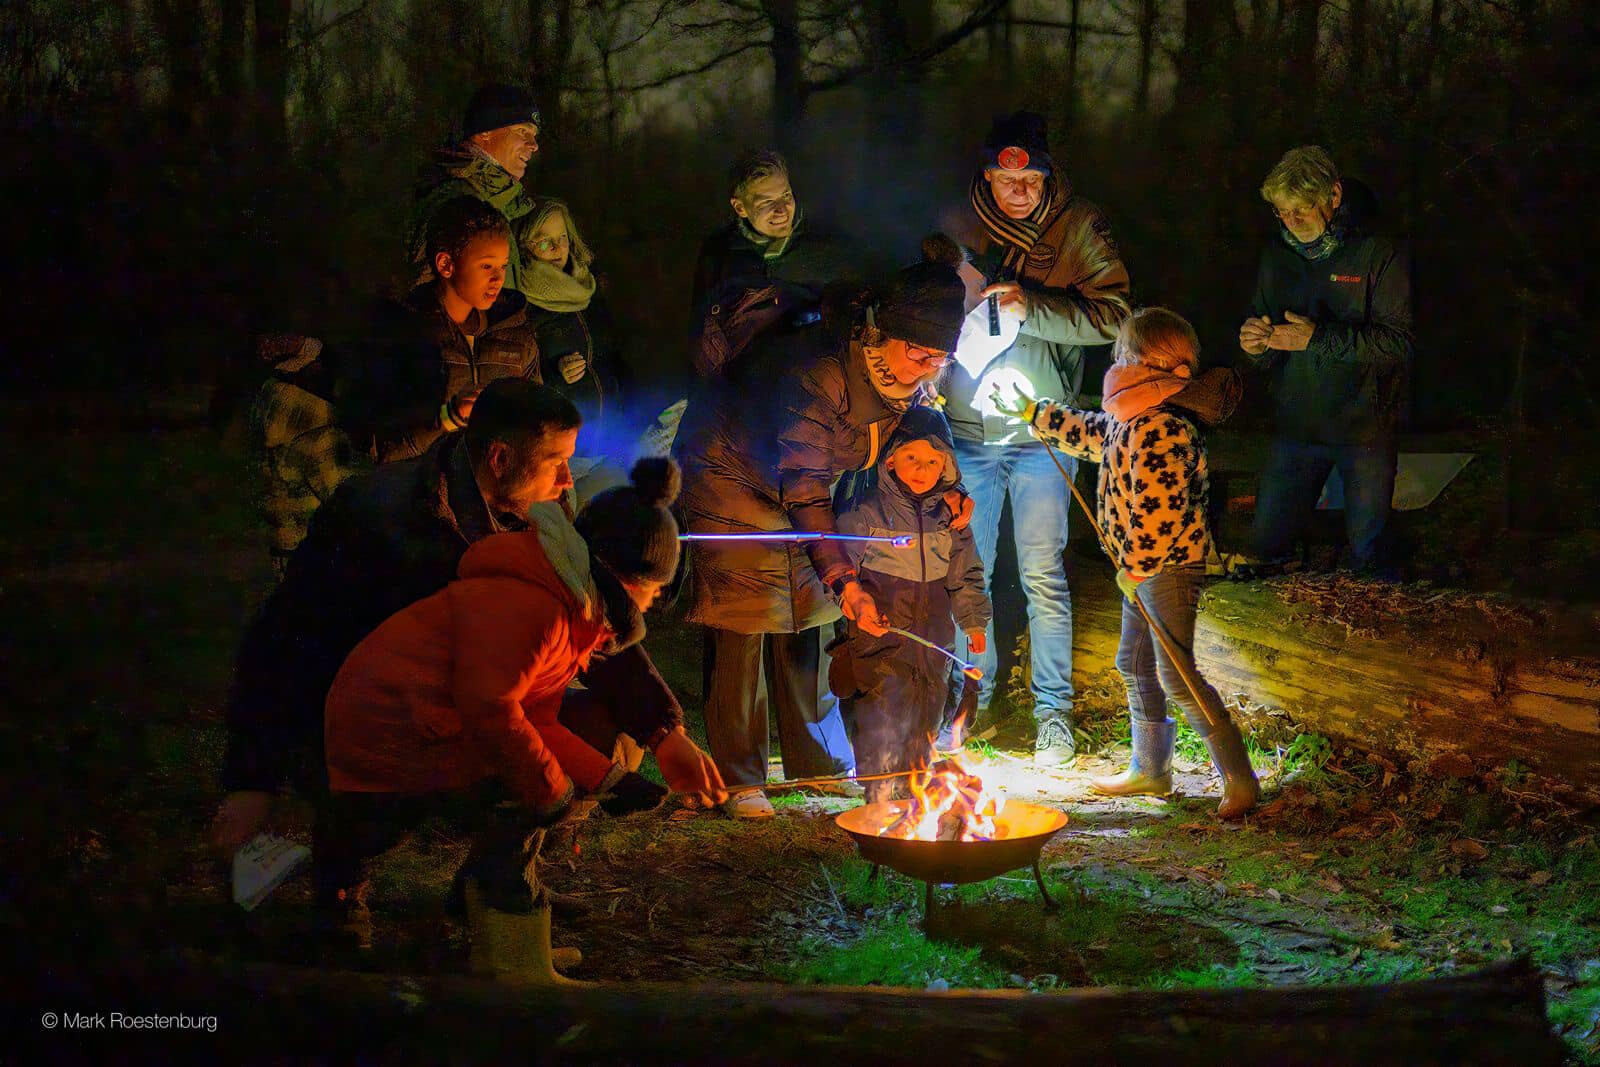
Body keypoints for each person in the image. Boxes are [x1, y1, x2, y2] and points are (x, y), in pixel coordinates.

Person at [210, 379, 721, 862]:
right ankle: (346, 873)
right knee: (473, 761)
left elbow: (591, 617)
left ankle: (500, 878)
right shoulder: (382, 517)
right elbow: (285, 633)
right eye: (556, 463)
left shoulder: (541, 512)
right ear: (499, 458)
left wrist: (663, 732)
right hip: (385, 716)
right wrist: (251, 779)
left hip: (476, 704)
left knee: (602, 735)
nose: (569, 480)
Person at [321, 459, 717, 983]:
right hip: (395, 736)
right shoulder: (538, 609)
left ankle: (503, 934)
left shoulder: (566, 604)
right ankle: (513, 961)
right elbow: (493, 709)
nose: (658, 598)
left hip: (432, 727)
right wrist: (552, 789)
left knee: (535, 787)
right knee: (520, 798)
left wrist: (611, 782)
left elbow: (538, 718)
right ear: (628, 579)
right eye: (656, 586)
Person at [677, 235, 970, 819]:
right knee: (745, 619)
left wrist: (947, 487)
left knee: (808, 615)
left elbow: (914, 431)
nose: (928, 368)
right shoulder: (820, 375)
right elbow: (806, 488)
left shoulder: (902, 372)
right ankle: (741, 778)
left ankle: (814, 760)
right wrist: (845, 577)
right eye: (921, 354)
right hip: (728, 476)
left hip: (797, 484)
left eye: (939, 359)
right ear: (885, 333)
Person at [996, 307, 1259, 818]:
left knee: (1177, 674)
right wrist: (1036, 413)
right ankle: (1151, 769)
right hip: (1140, 571)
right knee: (1134, 663)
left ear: (1148, 360)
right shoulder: (1133, 415)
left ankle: (1239, 778)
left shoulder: (1164, 426)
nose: (1116, 358)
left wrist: (1136, 568)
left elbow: (1160, 512)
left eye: (1123, 352)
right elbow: (1096, 434)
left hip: (1168, 569)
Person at [941, 110, 1132, 766]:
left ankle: (1055, 714)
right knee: (972, 572)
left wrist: (1034, 308)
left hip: (1040, 429)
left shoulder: (1078, 226)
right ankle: (974, 704)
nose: (1016, 191)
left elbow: (1117, 316)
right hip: (967, 429)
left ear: (1048, 175)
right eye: (1003, 178)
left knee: (1042, 574)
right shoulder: (955, 227)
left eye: (1029, 180)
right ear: (986, 174)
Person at [1238, 146, 1413, 575]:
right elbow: (1268, 345)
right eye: (1281, 212)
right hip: (1298, 423)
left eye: (1301, 210)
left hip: (1365, 427)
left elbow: (1399, 343)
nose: (1291, 223)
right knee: (1265, 551)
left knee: (1368, 555)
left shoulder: (1377, 254)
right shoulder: (1277, 258)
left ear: (1333, 197)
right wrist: (1254, 346)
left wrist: (1319, 339)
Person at [829, 407, 991, 805]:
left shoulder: (950, 520)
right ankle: (878, 790)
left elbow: (965, 573)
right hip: (880, 638)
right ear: (890, 459)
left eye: (933, 461)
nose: (922, 469)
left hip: (933, 638)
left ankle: (913, 789)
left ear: (947, 466)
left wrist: (973, 622)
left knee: (928, 705)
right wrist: (853, 607)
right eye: (912, 458)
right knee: (881, 707)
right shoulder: (865, 514)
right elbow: (839, 567)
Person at [368, 197, 541, 462]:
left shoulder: (514, 332)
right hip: (426, 489)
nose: (498, 279)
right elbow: (383, 450)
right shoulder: (404, 335)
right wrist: (450, 418)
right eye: (486, 266)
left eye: (503, 266)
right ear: (446, 264)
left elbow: (539, 417)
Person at [689, 149, 874, 380]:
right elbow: (702, 328)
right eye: (766, 201)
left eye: (786, 196)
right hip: (736, 386)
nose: (781, 210)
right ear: (740, 208)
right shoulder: (720, 253)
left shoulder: (824, 247)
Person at [516, 197, 632, 502]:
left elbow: (613, 358)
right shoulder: (523, 305)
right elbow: (518, 380)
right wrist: (557, 376)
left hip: (611, 445)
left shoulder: (588, 292)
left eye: (562, 238)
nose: (557, 249)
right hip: (565, 457)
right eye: (544, 243)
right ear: (525, 246)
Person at [246, 335, 369, 579]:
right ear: (307, 374)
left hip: (284, 551)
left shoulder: (271, 411)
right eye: (320, 365)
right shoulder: (319, 439)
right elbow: (353, 505)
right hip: (317, 558)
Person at [407, 83, 542, 293]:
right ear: (485, 132)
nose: (534, 145)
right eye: (522, 131)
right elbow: (432, 303)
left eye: (534, 134)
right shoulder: (457, 202)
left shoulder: (499, 202)